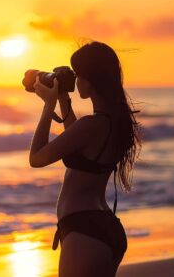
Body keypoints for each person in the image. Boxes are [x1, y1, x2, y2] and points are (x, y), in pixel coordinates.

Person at [29, 41, 142, 276]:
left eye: (78, 75)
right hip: (105, 229)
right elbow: (77, 144)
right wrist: (62, 98)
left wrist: (48, 105)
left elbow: (37, 158)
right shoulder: (114, 124)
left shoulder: (91, 126)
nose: (75, 80)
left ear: (90, 82)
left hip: (84, 232)